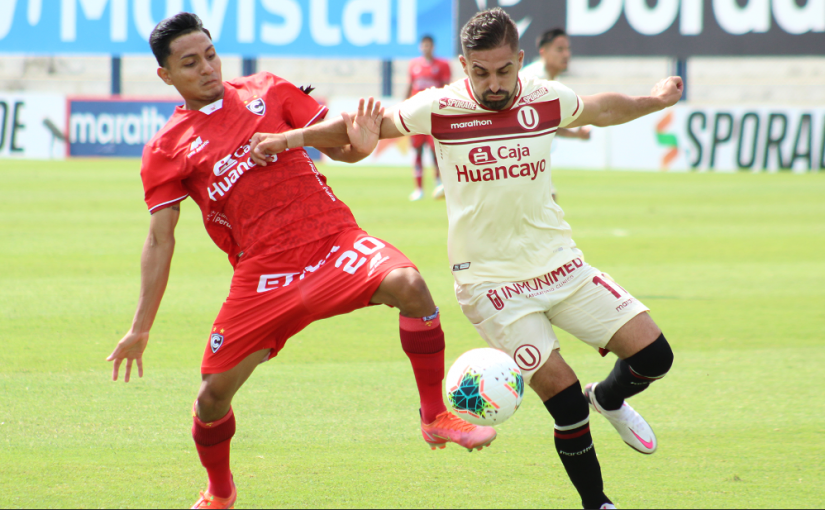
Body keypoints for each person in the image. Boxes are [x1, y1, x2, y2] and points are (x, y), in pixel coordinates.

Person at [250, 8, 680, 509]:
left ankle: (607, 396)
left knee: (655, 358)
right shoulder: (439, 106)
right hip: (491, 284)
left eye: (503, 71)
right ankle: (597, 503)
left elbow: (599, 108)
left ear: (520, 60)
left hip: (561, 264)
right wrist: (288, 139)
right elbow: (360, 126)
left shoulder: (545, 99)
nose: (493, 84)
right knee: (563, 401)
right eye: (480, 72)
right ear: (463, 65)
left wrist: (654, 100)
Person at [105, 13, 496, 510]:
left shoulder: (268, 89)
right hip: (263, 275)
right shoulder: (166, 149)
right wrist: (140, 328)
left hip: (332, 241)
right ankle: (220, 492)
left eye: (210, 54)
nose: (207, 68)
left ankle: (435, 414)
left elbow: (344, 150)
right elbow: (161, 240)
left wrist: (362, 138)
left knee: (410, 286)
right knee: (211, 397)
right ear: (166, 76)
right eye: (189, 63)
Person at [522, 28, 590, 201]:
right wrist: (575, 134)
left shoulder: (552, 81)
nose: (566, 54)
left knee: (547, 201)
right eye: (560, 49)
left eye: (568, 49)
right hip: (517, 154)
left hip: (528, 154)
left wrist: (575, 134)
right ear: (543, 52)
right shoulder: (533, 80)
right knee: (547, 200)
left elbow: (547, 123)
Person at [406, 35, 452, 201]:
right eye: (424, 45)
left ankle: (439, 183)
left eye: (429, 45)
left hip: (433, 116)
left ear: (433, 47)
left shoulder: (442, 65)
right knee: (417, 151)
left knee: (436, 152)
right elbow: (410, 87)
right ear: (420, 47)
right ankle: (418, 189)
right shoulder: (414, 65)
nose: (426, 48)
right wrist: (404, 106)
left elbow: (446, 89)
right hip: (416, 115)